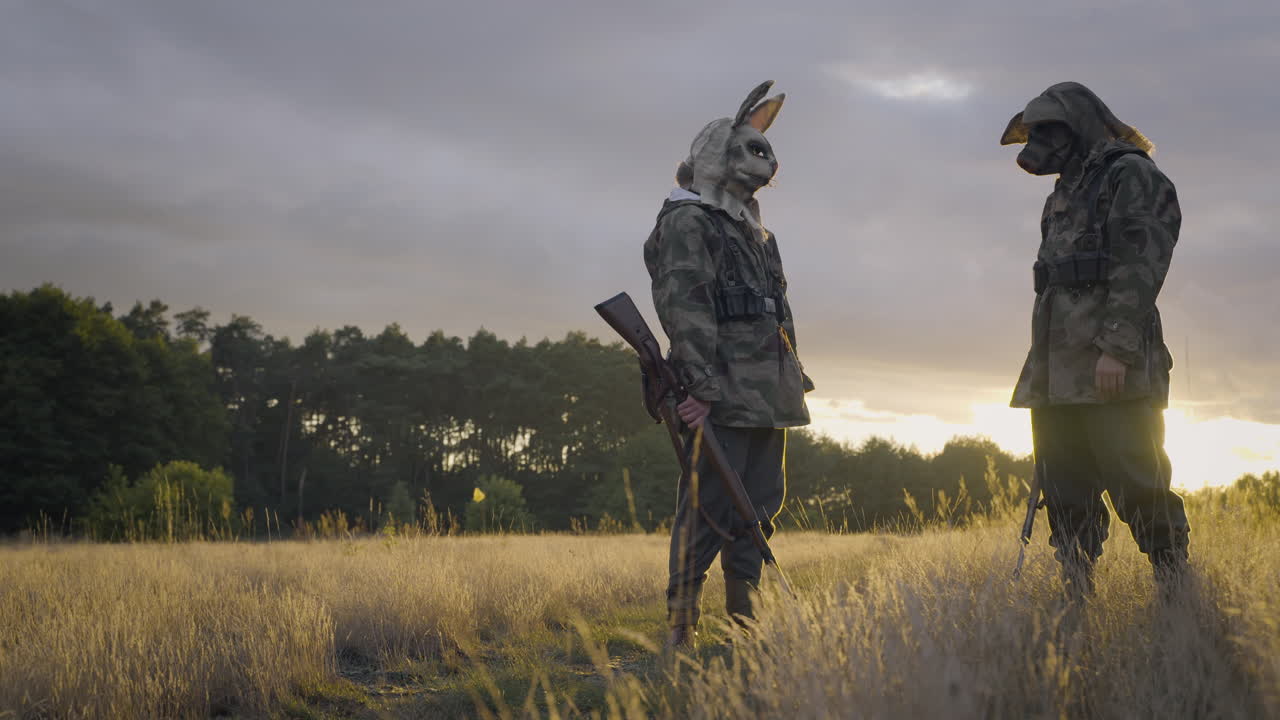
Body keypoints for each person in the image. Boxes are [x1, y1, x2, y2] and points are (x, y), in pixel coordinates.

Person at [1001, 82, 1190, 599]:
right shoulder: (1065, 188)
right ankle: (1076, 593)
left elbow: (1140, 266)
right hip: (1057, 369)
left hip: (1113, 364)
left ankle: (1176, 590)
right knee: (1064, 488)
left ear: (1079, 124)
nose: (1040, 144)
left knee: (1138, 481)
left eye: (1048, 131)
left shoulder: (1130, 174)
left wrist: (1116, 349)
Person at [643, 81, 814, 648]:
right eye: (745, 150)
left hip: (767, 390)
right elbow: (684, 304)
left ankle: (745, 623)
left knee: (760, 505)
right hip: (718, 390)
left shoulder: (755, 229)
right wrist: (699, 385)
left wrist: (795, 377)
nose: (764, 161)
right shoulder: (689, 220)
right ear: (716, 156)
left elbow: (778, 308)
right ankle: (681, 628)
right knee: (709, 507)